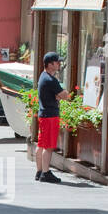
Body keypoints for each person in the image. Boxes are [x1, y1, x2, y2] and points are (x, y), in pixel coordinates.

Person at [36, 51, 69, 182]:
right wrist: (61, 94)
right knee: (48, 147)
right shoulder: (51, 80)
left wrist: (58, 95)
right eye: (57, 62)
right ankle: (46, 172)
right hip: (50, 115)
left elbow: (59, 95)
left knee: (41, 144)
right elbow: (65, 95)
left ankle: (39, 171)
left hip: (43, 114)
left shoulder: (43, 76)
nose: (59, 64)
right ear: (50, 64)